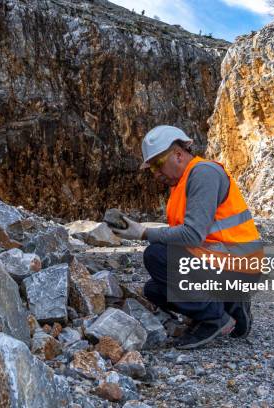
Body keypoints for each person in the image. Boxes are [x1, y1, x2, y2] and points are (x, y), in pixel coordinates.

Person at [111, 125, 262, 349]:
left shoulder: (203, 174)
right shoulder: (182, 183)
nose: (155, 173)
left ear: (179, 155)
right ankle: (230, 305)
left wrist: (144, 233)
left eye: (158, 164)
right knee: (154, 290)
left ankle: (215, 318)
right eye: (151, 168)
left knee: (156, 256)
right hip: (222, 261)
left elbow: (192, 235)